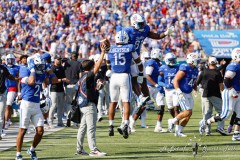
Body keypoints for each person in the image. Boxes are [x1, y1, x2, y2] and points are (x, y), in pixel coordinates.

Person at [123, 13, 174, 126]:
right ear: (133, 23)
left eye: (143, 23)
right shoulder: (127, 31)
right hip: (127, 57)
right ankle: (140, 98)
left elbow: (155, 36)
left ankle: (147, 99)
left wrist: (166, 33)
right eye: (140, 24)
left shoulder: (145, 28)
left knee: (143, 78)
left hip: (136, 56)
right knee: (135, 79)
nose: (142, 25)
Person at [15, 54, 58, 160]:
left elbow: (55, 80)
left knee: (40, 131)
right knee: (23, 130)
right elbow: (31, 82)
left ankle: (32, 149)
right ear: (34, 65)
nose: (41, 68)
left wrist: (49, 70)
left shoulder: (41, 73)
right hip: (26, 104)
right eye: (39, 66)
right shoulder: (26, 70)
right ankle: (18, 154)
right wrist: (33, 70)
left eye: (42, 66)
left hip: (36, 105)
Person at [107, 30, 143, 139]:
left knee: (113, 102)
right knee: (126, 101)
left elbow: (108, 64)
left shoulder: (111, 49)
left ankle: (111, 125)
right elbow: (139, 62)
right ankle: (126, 124)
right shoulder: (130, 47)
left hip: (114, 76)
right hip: (124, 76)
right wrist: (140, 73)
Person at [75, 42, 107, 157]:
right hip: (88, 105)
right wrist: (103, 52)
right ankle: (93, 150)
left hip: (82, 104)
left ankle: (79, 149)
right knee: (91, 128)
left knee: (83, 128)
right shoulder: (88, 75)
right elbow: (97, 66)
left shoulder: (82, 76)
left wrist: (97, 88)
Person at [202, 48, 240, 141]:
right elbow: (226, 79)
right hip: (231, 93)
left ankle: (236, 134)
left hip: (237, 92)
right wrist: (232, 89)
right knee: (225, 115)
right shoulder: (233, 66)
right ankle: (206, 122)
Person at [168, 52, 199, 137]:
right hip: (182, 92)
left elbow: (193, 81)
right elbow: (175, 80)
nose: (198, 62)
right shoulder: (184, 67)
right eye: (197, 60)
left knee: (189, 113)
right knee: (187, 112)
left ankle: (178, 131)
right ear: (192, 60)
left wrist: (195, 89)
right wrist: (178, 91)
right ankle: (172, 121)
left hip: (189, 93)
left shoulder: (195, 69)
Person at [197, 56, 226, 136]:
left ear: (209, 63)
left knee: (207, 113)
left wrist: (202, 87)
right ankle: (220, 127)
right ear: (215, 62)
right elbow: (221, 86)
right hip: (215, 94)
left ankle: (207, 131)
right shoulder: (217, 72)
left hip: (205, 94)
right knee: (222, 112)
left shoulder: (204, 71)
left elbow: (197, 82)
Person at [144, 48, 166, 133]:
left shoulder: (157, 63)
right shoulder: (151, 62)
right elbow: (148, 76)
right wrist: (156, 84)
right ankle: (131, 123)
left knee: (161, 105)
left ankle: (158, 126)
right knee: (141, 107)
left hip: (156, 87)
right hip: (149, 87)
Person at [158, 52, 180, 133]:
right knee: (170, 108)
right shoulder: (163, 68)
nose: (172, 62)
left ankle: (178, 128)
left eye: (173, 60)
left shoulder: (178, 68)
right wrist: (165, 85)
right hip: (167, 91)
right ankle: (173, 121)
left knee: (176, 107)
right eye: (170, 60)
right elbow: (159, 81)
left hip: (175, 90)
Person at [48, 55, 69, 128]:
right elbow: (53, 80)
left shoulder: (61, 68)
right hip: (54, 89)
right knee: (53, 105)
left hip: (61, 89)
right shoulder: (52, 68)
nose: (59, 60)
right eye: (58, 59)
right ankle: (50, 121)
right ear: (54, 60)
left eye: (60, 59)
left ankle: (60, 122)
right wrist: (62, 80)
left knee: (61, 106)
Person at [0, 61, 19, 140]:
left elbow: (9, 76)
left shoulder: (3, 68)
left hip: (2, 93)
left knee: (1, 114)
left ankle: (0, 131)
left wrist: (16, 79)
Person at [64, 52, 82, 127]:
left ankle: (68, 115)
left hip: (68, 85)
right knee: (76, 103)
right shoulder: (78, 64)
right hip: (75, 85)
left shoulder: (66, 63)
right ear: (77, 57)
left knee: (68, 103)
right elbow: (80, 75)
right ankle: (75, 122)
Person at [4, 53, 20, 129]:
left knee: (8, 105)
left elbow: (19, 79)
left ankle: (6, 122)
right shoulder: (3, 67)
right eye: (9, 60)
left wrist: (19, 91)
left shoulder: (17, 68)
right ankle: (8, 119)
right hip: (4, 88)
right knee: (7, 106)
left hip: (12, 88)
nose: (10, 61)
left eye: (11, 60)